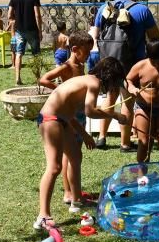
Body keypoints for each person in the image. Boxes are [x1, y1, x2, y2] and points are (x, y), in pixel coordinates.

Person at [34, 57, 129, 230]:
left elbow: (69, 111)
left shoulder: (87, 80)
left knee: (76, 157)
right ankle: (43, 216)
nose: (114, 85)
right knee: (54, 167)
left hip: (63, 120)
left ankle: (77, 199)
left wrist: (84, 134)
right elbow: (90, 111)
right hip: (50, 119)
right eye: (115, 80)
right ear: (109, 75)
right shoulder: (93, 82)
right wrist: (115, 115)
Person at [89, 0, 159, 151]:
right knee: (127, 101)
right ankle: (125, 143)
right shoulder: (142, 10)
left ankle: (102, 137)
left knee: (109, 97)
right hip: (132, 63)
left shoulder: (105, 8)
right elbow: (155, 38)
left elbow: (95, 35)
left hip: (108, 61)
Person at [38, 31, 94, 210]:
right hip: (67, 116)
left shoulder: (80, 65)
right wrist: (60, 90)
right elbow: (44, 79)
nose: (89, 55)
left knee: (73, 155)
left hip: (77, 113)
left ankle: (72, 193)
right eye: (87, 51)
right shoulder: (68, 66)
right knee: (68, 157)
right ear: (75, 49)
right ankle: (68, 192)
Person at [8, 0, 43, 85]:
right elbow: (37, 15)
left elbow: (9, 15)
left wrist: (16, 19)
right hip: (32, 29)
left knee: (19, 53)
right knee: (36, 54)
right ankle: (38, 78)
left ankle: (18, 78)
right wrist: (40, 31)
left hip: (19, 30)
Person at [86, 8, 100, 73]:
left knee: (90, 72)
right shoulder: (99, 31)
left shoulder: (88, 32)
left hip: (90, 53)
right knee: (99, 71)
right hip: (98, 52)